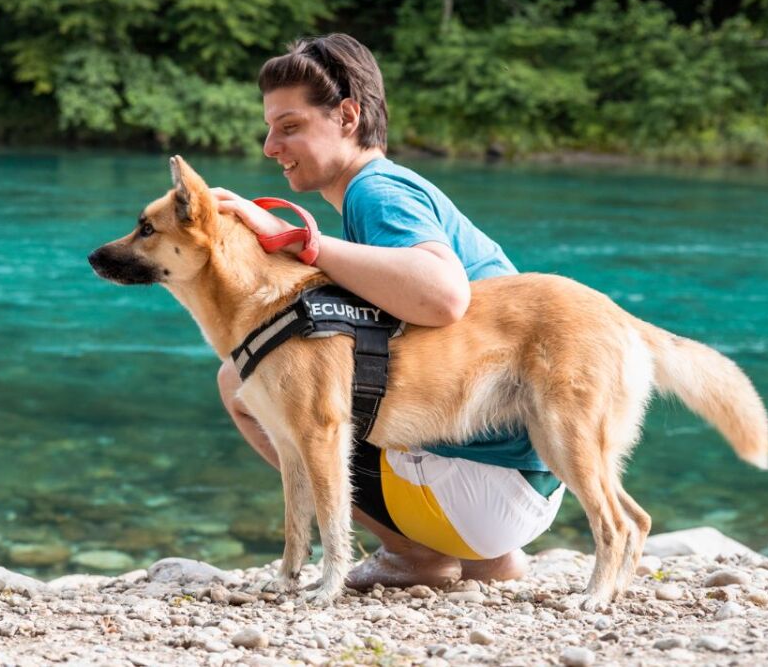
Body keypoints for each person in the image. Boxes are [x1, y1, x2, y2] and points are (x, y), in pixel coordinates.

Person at [212, 33, 564, 590]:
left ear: (348, 115)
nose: (269, 146)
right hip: (523, 478)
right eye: (270, 128)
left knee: (243, 383)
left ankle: (414, 555)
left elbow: (443, 295)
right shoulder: (387, 189)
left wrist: (304, 240)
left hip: (490, 481)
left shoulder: (377, 193)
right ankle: (484, 559)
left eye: (290, 126)